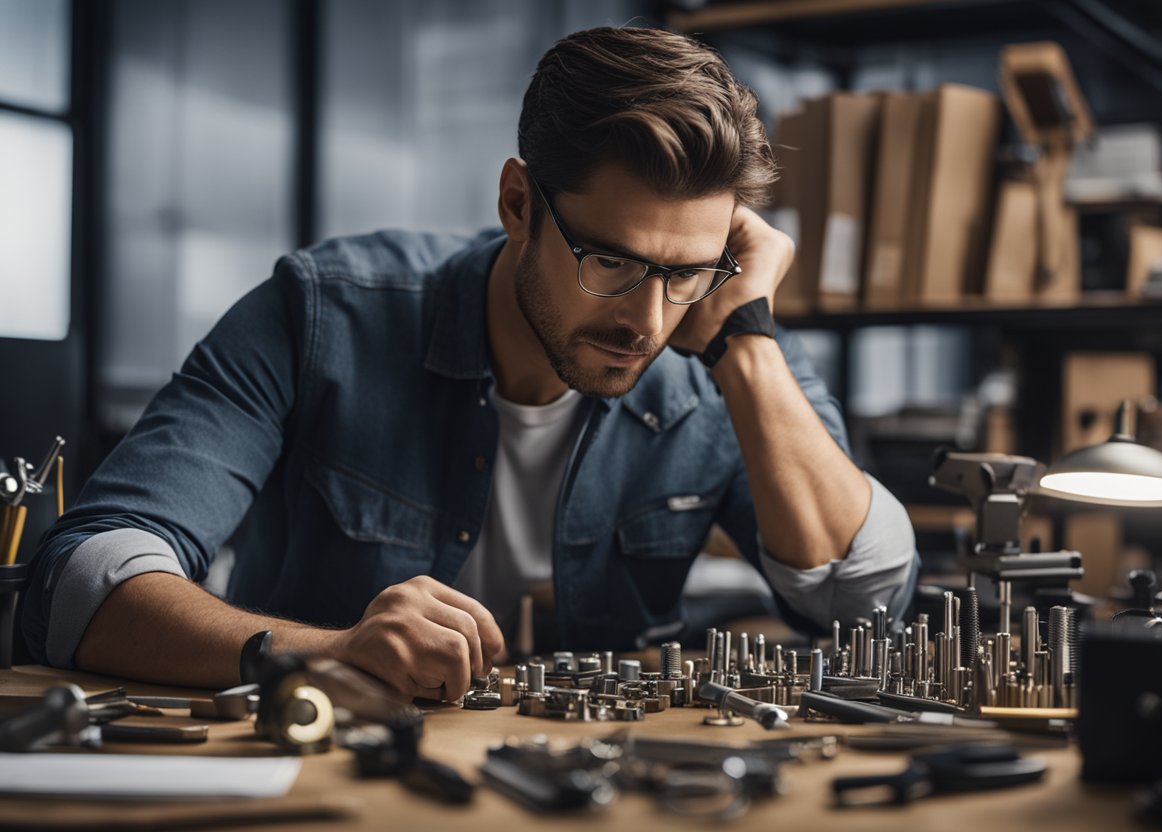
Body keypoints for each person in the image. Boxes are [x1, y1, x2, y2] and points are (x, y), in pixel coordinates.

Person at [23, 26, 916, 702]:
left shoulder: (719, 336)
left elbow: (864, 603)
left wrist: (747, 340)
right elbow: (78, 580)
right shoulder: (322, 312)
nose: (647, 320)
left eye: (685, 271)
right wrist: (323, 651)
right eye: (611, 262)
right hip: (336, 780)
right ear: (518, 202)